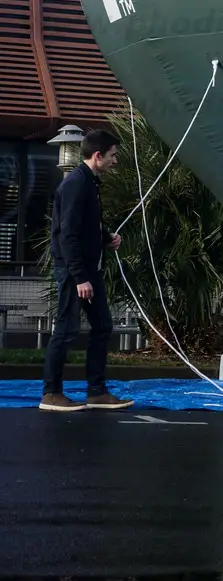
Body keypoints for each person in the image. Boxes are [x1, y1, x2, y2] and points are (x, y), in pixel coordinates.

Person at [41, 129, 134, 412]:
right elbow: (67, 234)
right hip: (74, 271)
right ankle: (51, 394)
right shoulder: (75, 184)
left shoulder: (90, 183)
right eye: (113, 155)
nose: (115, 161)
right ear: (98, 155)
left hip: (88, 269)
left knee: (103, 326)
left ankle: (96, 391)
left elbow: (85, 225)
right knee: (67, 330)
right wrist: (80, 276)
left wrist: (106, 238)